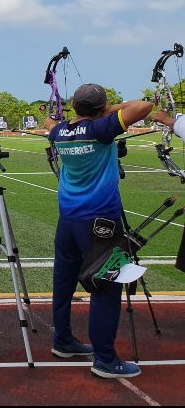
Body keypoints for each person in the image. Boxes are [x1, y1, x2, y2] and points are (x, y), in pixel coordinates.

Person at [46, 83, 152, 379]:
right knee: (106, 288)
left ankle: (63, 340)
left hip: (68, 220)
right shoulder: (101, 129)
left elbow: (49, 122)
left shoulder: (60, 132)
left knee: (63, 282)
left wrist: (84, 115)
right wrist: (111, 109)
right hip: (101, 223)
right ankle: (105, 359)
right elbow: (144, 107)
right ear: (100, 110)